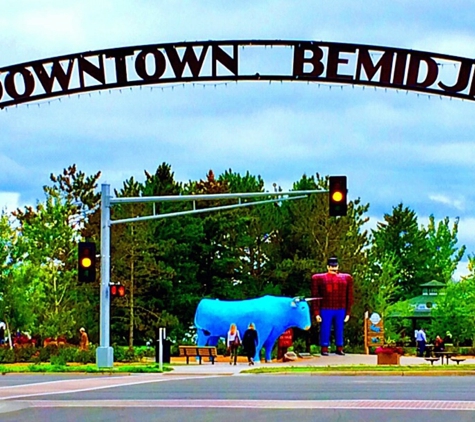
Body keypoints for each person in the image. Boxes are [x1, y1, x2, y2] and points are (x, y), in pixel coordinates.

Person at [311, 256, 354, 356]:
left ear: (338, 266)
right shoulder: (319, 278)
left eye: (335, 266)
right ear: (327, 267)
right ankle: (324, 347)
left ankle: (339, 347)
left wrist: (348, 312)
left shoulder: (346, 278)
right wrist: (317, 312)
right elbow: (315, 296)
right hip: (326, 308)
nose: (333, 268)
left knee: (340, 328)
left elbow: (349, 296)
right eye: (331, 266)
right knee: (325, 328)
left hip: (340, 308)